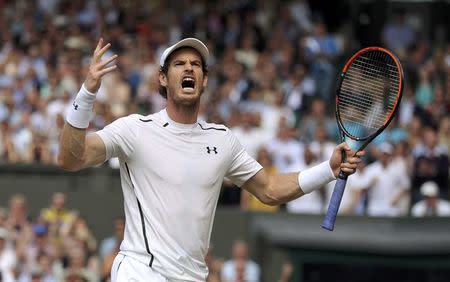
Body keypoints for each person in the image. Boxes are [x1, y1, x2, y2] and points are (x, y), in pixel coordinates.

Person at [57, 37, 363, 281]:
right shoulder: (135, 130)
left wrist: (328, 169)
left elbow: (269, 189)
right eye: (179, 64)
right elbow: (71, 159)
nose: (189, 69)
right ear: (163, 78)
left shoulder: (222, 140)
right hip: (140, 271)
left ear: (204, 80)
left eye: (195, 65)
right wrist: (87, 93)